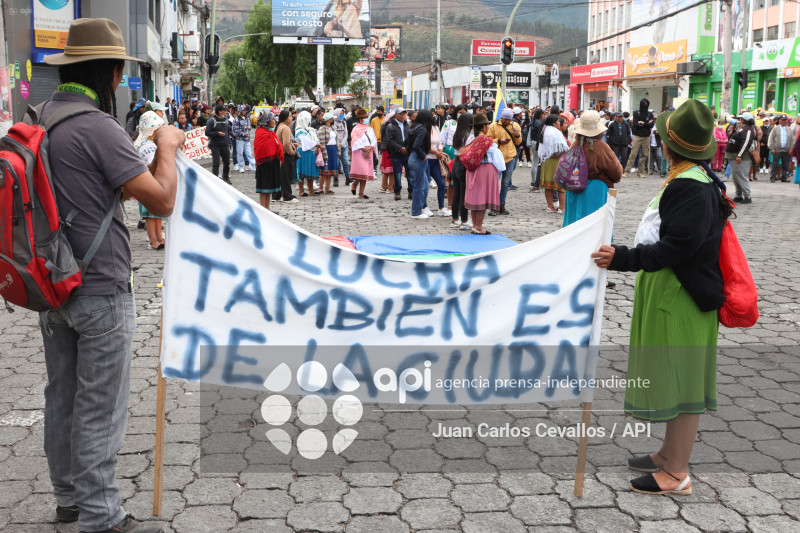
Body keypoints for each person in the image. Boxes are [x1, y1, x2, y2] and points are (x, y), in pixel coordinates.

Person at [35, 18, 185, 533]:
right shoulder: (97, 126)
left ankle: (69, 500)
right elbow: (161, 199)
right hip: (100, 286)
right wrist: (166, 143)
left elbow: (93, 192)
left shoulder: (40, 119)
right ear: (114, 72)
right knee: (100, 405)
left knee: (63, 397)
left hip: (52, 285)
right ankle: (101, 516)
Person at [591, 99, 733, 497]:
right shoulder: (690, 176)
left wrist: (624, 258)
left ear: (670, 145)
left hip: (682, 294)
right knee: (672, 373)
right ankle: (669, 454)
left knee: (683, 381)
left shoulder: (690, 185)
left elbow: (677, 247)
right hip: (671, 288)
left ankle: (678, 473)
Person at [463, 112, 505, 234]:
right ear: (484, 126)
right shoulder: (487, 140)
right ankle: (479, 227)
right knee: (482, 198)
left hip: (471, 170)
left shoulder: (469, 138)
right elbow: (496, 157)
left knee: (474, 198)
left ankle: (475, 225)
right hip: (485, 170)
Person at [134, 111, 167, 250]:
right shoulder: (147, 146)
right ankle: (153, 240)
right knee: (150, 214)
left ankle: (160, 237)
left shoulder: (152, 143)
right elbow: (152, 163)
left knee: (157, 213)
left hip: (154, 182)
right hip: (148, 183)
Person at [487, 107, 522, 215]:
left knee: (506, 183)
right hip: (497, 158)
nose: (507, 121)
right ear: (501, 118)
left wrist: (517, 134)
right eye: (505, 119)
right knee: (495, 183)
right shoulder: (493, 126)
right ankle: (494, 206)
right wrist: (498, 141)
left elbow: (518, 142)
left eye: (509, 119)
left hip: (510, 157)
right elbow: (487, 140)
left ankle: (502, 204)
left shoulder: (515, 126)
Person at [538, 113, 569, 213]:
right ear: (554, 123)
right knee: (561, 185)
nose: (559, 123)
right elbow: (560, 148)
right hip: (556, 160)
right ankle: (562, 207)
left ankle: (550, 206)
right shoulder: (554, 132)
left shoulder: (545, 130)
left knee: (549, 185)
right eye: (559, 121)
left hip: (547, 161)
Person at [408, 109, 435, 218]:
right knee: (419, 186)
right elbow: (416, 145)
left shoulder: (414, 127)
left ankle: (420, 208)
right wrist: (423, 156)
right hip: (419, 157)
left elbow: (408, 144)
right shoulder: (422, 129)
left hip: (413, 157)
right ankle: (416, 211)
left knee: (424, 185)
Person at [253, 112, 283, 210]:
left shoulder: (271, 133)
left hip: (273, 163)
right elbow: (260, 149)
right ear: (266, 121)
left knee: (269, 187)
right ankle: (263, 209)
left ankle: (267, 208)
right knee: (263, 188)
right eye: (272, 119)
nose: (274, 121)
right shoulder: (260, 133)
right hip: (264, 164)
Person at [450, 112, 474, 230]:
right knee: (464, 195)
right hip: (463, 164)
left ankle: (455, 219)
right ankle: (464, 220)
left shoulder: (458, 134)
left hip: (456, 163)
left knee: (457, 193)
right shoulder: (469, 135)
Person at [726, 112, 756, 203]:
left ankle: (747, 196)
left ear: (743, 120)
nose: (739, 120)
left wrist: (739, 155)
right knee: (736, 177)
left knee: (742, 177)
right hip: (734, 156)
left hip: (742, 158)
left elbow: (745, 143)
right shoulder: (743, 129)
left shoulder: (748, 130)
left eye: (740, 119)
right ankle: (739, 195)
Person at [350, 107, 378, 198]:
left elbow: (373, 139)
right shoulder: (356, 129)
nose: (366, 120)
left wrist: (371, 147)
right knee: (360, 171)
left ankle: (361, 193)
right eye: (364, 118)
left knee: (365, 172)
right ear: (360, 119)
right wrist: (363, 148)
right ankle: (354, 184)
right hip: (360, 152)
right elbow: (355, 140)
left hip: (368, 150)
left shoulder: (369, 129)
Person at [295, 110, 324, 196]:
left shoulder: (309, 130)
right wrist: (317, 145)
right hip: (303, 153)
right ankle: (301, 191)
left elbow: (314, 139)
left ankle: (311, 190)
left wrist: (316, 146)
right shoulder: (299, 130)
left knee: (310, 172)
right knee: (301, 172)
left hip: (311, 153)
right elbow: (306, 141)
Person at [624, 98, 654, 178]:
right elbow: (636, 124)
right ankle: (627, 171)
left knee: (644, 154)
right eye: (643, 103)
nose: (645, 104)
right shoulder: (636, 112)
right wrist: (646, 124)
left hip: (646, 136)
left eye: (646, 103)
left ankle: (640, 172)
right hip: (637, 136)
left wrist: (642, 123)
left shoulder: (650, 114)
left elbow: (651, 125)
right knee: (633, 154)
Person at [274, 109, 299, 203]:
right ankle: (287, 196)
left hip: (280, 154)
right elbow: (286, 143)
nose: (291, 117)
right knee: (286, 176)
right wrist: (291, 152)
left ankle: (277, 195)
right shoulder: (285, 128)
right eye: (289, 116)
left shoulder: (280, 126)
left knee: (281, 176)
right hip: (285, 154)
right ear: (285, 118)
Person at [386, 108, 411, 200]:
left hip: (407, 153)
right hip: (396, 153)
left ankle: (411, 191)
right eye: (400, 114)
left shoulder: (408, 125)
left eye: (404, 114)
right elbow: (389, 140)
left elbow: (410, 138)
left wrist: (407, 148)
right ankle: (397, 192)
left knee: (410, 173)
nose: (402, 116)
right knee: (397, 174)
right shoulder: (390, 126)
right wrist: (400, 148)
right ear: (395, 115)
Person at [427, 120, 451, 216]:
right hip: (426, 159)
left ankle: (441, 208)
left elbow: (440, 142)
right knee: (424, 185)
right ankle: (423, 207)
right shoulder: (422, 128)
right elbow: (424, 146)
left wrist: (440, 151)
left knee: (441, 183)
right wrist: (436, 152)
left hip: (435, 160)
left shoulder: (435, 127)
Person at [206, 104, 232, 184]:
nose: (225, 112)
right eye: (224, 110)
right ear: (220, 111)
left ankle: (226, 177)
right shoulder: (212, 120)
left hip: (225, 145)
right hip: (215, 145)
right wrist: (217, 133)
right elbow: (207, 132)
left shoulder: (226, 119)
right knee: (216, 163)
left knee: (227, 162)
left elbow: (228, 130)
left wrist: (232, 136)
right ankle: (215, 180)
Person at [317, 112, 338, 194]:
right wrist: (324, 153)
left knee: (330, 170)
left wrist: (338, 150)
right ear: (329, 119)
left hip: (333, 149)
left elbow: (337, 140)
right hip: (327, 149)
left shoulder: (332, 128)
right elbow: (322, 142)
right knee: (324, 170)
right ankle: (320, 188)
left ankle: (327, 188)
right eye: (332, 118)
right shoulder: (322, 129)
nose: (333, 119)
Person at [768, 115, 793, 182]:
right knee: (775, 164)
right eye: (783, 120)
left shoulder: (789, 129)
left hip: (786, 150)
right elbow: (771, 139)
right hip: (777, 149)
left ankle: (784, 177)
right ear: (780, 121)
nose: (784, 121)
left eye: (785, 120)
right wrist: (772, 148)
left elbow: (791, 140)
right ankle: (773, 177)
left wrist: (791, 148)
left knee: (785, 164)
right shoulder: (775, 129)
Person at [232, 104, 255, 173]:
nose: (245, 111)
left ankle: (253, 165)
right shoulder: (236, 120)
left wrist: (249, 127)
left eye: (245, 110)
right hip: (240, 139)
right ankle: (241, 166)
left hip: (247, 139)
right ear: (240, 111)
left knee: (249, 153)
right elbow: (235, 131)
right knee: (240, 153)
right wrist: (243, 134)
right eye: (244, 110)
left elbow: (250, 126)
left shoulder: (247, 118)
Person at [378, 110, 396, 192]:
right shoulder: (391, 125)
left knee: (386, 170)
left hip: (385, 148)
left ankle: (383, 186)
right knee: (391, 170)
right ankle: (390, 187)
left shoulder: (384, 125)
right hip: (390, 149)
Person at [332, 109, 350, 186]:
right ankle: (335, 178)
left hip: (343, 145)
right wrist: (338, 143)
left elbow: (346, 133)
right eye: (340, 114)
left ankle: (348, 178)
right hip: (335, 145)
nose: (342, 115)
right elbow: (334, 134)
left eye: (343, 114)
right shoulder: (332, 123)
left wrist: (343, 142)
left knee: (346, 162)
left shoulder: (344, 122)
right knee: (336, 163)